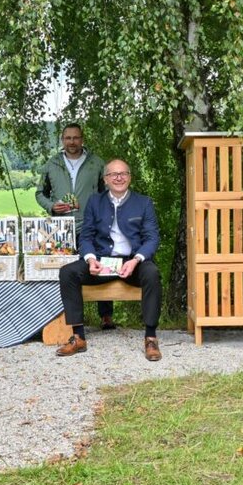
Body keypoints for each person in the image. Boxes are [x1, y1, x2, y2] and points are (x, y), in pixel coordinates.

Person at [56, 159, 163, 361]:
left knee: (152, 273)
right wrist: (90, 260)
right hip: (102, 262)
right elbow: (86, 236)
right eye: (113, 174)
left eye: (123, 173)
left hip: (133, 263)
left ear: (130, 177)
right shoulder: (95, 202)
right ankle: (78, 336)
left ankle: (150, 337)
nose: (119, 177)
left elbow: (152, 238)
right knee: (68, 272)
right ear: (105, 179)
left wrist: (136, 260)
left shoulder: (144, 203)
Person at [35, 123, 113, 327]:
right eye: (68, 138)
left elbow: (108, 193)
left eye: (76, 138)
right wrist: (52, 206)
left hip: (91, 225)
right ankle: (63, 318)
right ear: (62, 140)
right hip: (61, 228)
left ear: (82, 139)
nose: (72, 142)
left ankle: (106, 316)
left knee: (100, 266)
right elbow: (39, 193)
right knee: (63, 271)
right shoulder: (52, 164)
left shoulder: (96, 163)